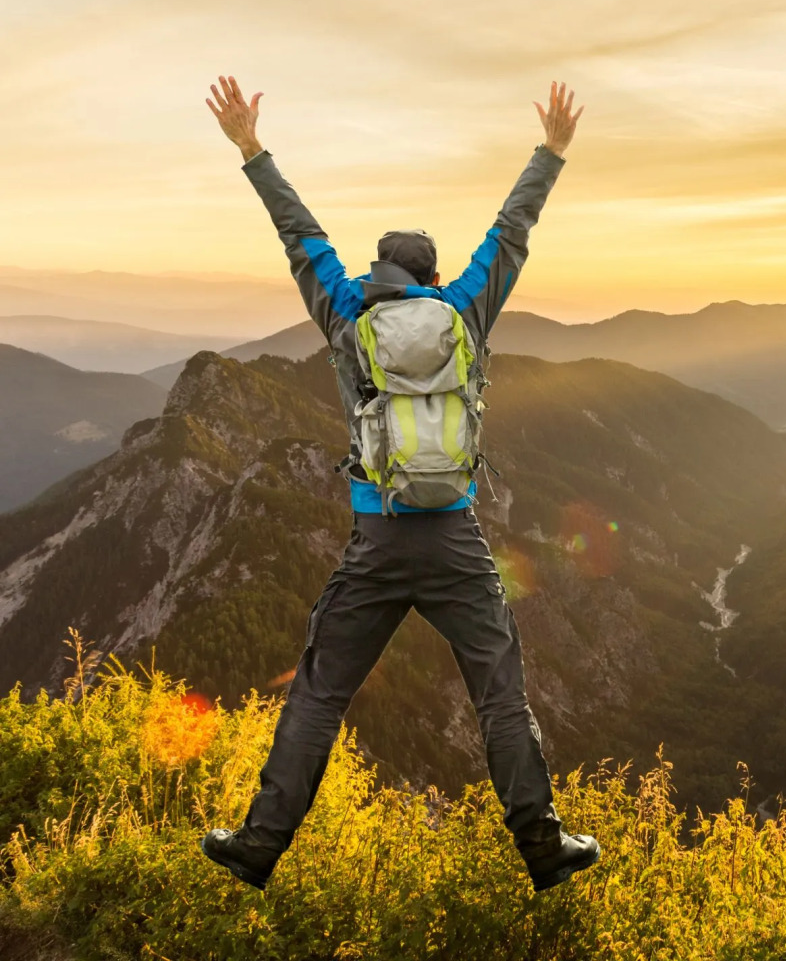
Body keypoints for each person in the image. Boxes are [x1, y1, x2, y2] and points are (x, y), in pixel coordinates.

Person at [197, 75, 599, 894]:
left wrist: (251, 149)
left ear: (381, 273)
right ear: (431, 275)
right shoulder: (462, 312)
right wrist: (550, 154)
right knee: (500, 695)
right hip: (454, 537)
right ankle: (543, 846)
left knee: (319, 694)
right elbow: (510, 232)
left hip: (377, 541)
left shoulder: (347, 315)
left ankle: (260, 845)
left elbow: (298, 232)